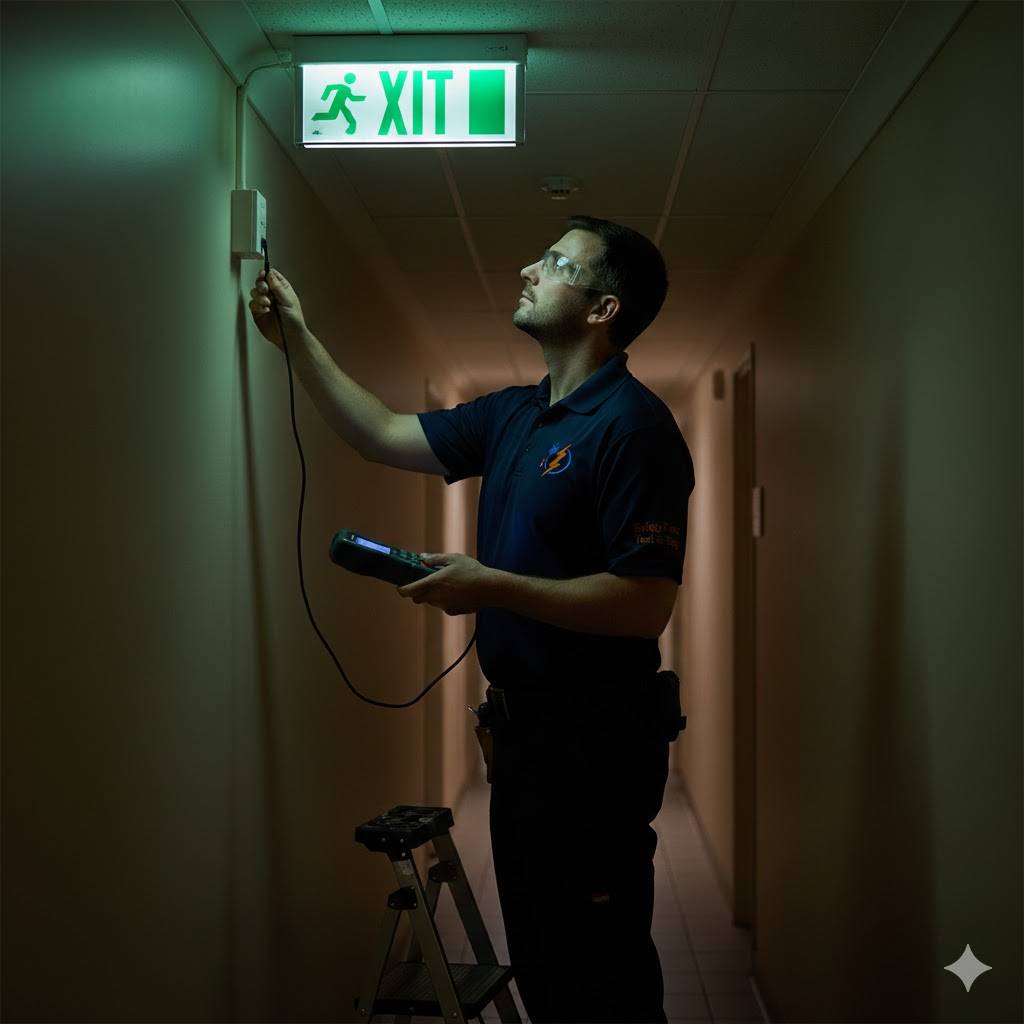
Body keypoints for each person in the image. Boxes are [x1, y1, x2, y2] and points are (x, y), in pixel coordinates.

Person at [249, 215, 695, 1024]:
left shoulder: (635, 429)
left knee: (600, 970)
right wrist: (297, 339)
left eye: (556, 262)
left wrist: (492, 585)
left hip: (594, 749)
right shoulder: (516, 415)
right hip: (525, 741)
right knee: (546, 961)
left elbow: (643, 604)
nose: (528, 266)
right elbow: (383, 433)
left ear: (602, 310)